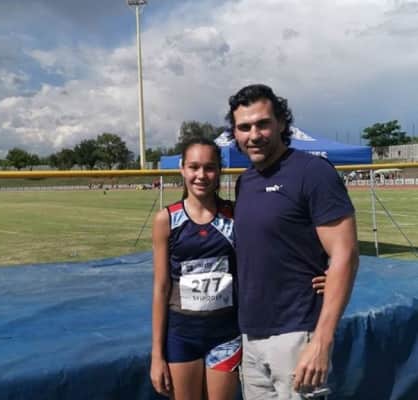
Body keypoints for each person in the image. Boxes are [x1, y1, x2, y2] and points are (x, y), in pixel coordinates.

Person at [150, 137, 327, 400]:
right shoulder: (167, 220)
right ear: (182, 168)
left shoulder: (234, 216)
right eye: (194, 167)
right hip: (182, 335)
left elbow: (275, 247)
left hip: (225, 335)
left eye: (209, 167)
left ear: (220, 170)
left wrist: (326, 268)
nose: (201, 175)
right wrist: (157, 354)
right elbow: (161, 287)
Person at [226, 84, 359, 399]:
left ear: (282, 123)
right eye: (244, 127)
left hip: (298, 334)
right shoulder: (245, 181)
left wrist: (321, 340)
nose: (254, 135)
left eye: (262, 124)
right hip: (252, 336)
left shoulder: (312, 172)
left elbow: (345, 254)